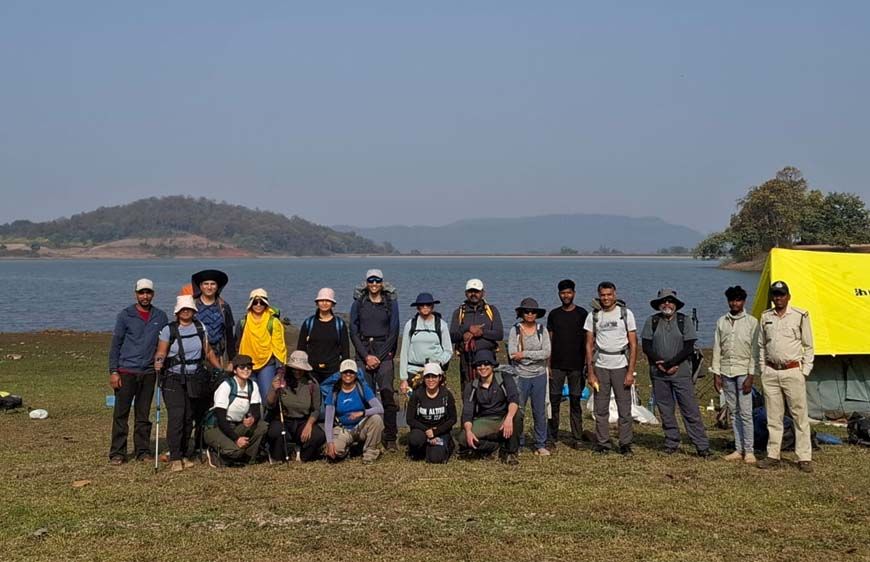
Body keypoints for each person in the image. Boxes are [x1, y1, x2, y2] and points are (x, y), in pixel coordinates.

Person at [155, 295, 223, 471]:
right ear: (177, 311)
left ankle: (184, 453)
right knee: (177, 416)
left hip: (195, 378)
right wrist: (159, 361)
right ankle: (175, 457)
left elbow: (208, 351)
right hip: (173, 378)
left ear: (194, 310)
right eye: (183, 309)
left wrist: (220, 370)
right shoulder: (168, 330)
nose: (186, 311)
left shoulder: (201, 328)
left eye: (189, 309)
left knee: (188, 417)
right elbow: (161, 351)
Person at [641, 288, 711, 457]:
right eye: (664, 301)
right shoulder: (652, 321)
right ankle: (671, 441)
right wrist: (658, 362)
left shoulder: (684, 320)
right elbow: (646, 344)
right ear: (659, 304)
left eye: (670, 301)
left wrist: (673, 364)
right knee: (665, 409)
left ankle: (701, 445)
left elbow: (689, 346)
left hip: (681, 373)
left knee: (690, 409)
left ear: (675, 304)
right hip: (658, 373)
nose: (667, 304)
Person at [108, 278, 169, 465]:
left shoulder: (160, 316)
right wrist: (113, 371)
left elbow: (163, 344)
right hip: (126, 371)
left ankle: (143, 450)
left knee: (143, 414)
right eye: (141, 292)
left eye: (148, 293)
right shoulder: (125, 315)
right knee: (121, 414)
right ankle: (118, 452)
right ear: (136, 294)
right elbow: (116, 344)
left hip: (149, 372)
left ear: (153, 294)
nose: (145, 296)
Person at [756, 280, 815, 473]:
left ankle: (804, 457)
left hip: (792, 370)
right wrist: (763, 368)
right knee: (773, 416)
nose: (778, 298)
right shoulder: (766, 317)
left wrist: (804, 370)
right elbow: (761, 345)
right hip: (771, 372)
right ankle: (773, 454)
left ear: (788, 296)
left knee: (799, 415)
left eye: (781, 294)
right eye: (775, 294)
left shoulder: (799, 315)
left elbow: (808, 346)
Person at [584, 281, 637, 455]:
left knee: (624, 408)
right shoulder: (594, 316)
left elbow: (634, 344)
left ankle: (625, 443)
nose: (606, 298)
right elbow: (589, 344)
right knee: (601, 408)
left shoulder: (625, 313)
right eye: (603, 295)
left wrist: (630, 372)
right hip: (600, 365)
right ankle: (603, 443)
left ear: (615, 294)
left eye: (609, 294)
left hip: (621, 364)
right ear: (599, 295)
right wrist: (590, 372)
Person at [350, 269, 400, 451]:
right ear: (366, 282)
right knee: (366, 396)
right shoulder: (359, 302)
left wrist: (378, 357)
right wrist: (366, 356)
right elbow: (353, 330)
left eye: (377, 281)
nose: (374, 284)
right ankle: (368, 436)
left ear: (382, 282)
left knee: (387, 395)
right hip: (364, 353)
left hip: (383, 355)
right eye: (370, 280)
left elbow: (394, 331)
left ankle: (391, 436)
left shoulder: (390, 302)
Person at [189, 269, 236, 459]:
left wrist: (232, 361)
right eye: (206, 284)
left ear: (218, 287)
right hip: (196, 358)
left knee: (216, 400)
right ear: (200, 286)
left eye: (213, 284)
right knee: (197, 401)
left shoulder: (224, 307)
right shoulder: (192, 305)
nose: (209, 287)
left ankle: (211, 440)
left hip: (219, 356)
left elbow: (230, 336)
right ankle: (195, 441)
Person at [711, 285, 759, 464]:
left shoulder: (752, 322)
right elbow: (717, 348)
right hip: (726, 371)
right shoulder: (721, 321)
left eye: (738, 300)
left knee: (746, 413)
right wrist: (716, 373)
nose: (734, 303)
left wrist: (751, 375)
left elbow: (754, 351)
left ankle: (750, 451)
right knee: (734, 412)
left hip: (743, 372)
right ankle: (738, 449)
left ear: (743, 301)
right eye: (731, 300)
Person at [203, 354, 268, 468]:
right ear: (234, 370)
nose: (246, 370)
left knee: (262, 426)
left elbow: (256, 410)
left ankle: (247, 458)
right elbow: (221, 418)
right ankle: (215, 453)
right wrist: (236, 439)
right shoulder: (226, 386)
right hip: (217, 427)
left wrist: (253, 418)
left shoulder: (253, 385)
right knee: (236, 451)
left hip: (236, 425)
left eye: (249, 367)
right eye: (242, 367)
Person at [458, 350, 521, 465]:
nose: (482, 367)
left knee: (517, 415)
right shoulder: (471, 386)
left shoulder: (504, 378)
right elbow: (468, 412)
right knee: (463, 438)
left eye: (486, 363)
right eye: (479, 365)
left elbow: (514, 399)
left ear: (492, 365)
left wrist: (509, 417)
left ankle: (511, 452)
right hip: (485, 420)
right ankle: (494, 447)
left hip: (503, 417)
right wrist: (468, 431)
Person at [546, 279, 588, 449]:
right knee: (554, 400)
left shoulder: (582, 313)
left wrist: (587, 364)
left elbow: (588, 341)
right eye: (563, 293)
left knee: (575, 401)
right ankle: (551, 437)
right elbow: (550, 340)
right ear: (559, 294)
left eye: (569, 292)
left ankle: (577, 437)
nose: (566, 296)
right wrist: (547, 365)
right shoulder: (554, 314)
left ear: (574, 294)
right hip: (556, 365)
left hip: (577, 365)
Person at [508, 297, 552, 456]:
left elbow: (546, 353)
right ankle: (517, 443)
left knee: (539, 411)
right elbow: (512, 354)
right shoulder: (515, 330)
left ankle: (540, 443)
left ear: (537, 314)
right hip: (520, 376)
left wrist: (525, 354)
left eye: (533, 311)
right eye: (526, 311)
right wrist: (534, 356)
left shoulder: (542, 330)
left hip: (539, 375)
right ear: (521, 313)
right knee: (518, 411)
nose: (530, 314)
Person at [265, 350, 326, 463]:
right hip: (283, 420)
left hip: (302, 422)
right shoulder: (279, 379)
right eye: (294, 368)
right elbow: (269, 404)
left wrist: (309, 425)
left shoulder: (312, 384)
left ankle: (301, 455)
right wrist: (274, 390)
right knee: (276, 432)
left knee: (318, 435)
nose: (297, 371)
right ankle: (276, 454)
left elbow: (316, 409)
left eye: (300, 369)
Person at [324, 359, 385, 464]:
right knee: (335, 452)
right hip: (343, 429)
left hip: (361, 427)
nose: (348, 374)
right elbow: (328, 421)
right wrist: (329, 442)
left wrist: (363, 413)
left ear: (356, 374)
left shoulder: (362, 388)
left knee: (376, 419)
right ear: (340, 374)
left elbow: (380, 409)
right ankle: (350, 450)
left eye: (351, 372)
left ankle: (370, 453)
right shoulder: (334, 392)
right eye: (345, 372)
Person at [450, 279, 504, 393]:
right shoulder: (459, 312)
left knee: (488, 391)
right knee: (468, 392)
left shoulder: (492, 310)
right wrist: (467, 329)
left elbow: (499, 334)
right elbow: (452, 336)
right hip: (467, 361)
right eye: (470, 291)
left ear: (483, 293)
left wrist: (482, 332)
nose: (473, 294)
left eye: (477, 291)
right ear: (466, 293)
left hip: (488, 359)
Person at [236, 288, 287, 403]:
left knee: (267, 396)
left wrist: (281, 367)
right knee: (248, 396)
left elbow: (279, 346)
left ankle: (266, 419)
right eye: (255, 302)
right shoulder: (243, 322)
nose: (258, 305)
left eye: (262, 302)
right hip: (247, 363)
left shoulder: (273, 322)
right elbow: (237, 343)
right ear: (250, 304)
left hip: (267, 363)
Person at [398, 292, 453, 394]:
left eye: (428, 305)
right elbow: (404, 351)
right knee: (414, 404)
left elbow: (448, 350)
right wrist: (403, 378)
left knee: (434, 402)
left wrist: (439, 362)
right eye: (422, 305)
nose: (425, 307)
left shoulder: (441, 325)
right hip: (413, 371)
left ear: (432, 306)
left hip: (435, 371)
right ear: (417, 307)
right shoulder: (410, 325)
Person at [406, 363, 457, 463]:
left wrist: (436, 432)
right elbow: (410, 419)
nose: (430, 380)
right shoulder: (417, 395)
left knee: (436, 458)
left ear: (440, 377)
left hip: (440, 431)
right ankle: (423, 448)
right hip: (422, 430)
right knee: (415, 440)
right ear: (423, 378)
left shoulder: (446, 394)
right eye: (427, 377)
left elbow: (453, 419)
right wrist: (427, 431)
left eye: (434, 376)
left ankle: (446, 444)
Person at [297, 288, 350, 384]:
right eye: (321, 300)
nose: (324, 303)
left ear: (333, 304)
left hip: (333, 372)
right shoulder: (309, 323)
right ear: (317, 303)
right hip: (311, 371)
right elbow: (301, 348)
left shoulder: (340, 324)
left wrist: (345, 372)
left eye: (328, 301)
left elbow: (345, 351)